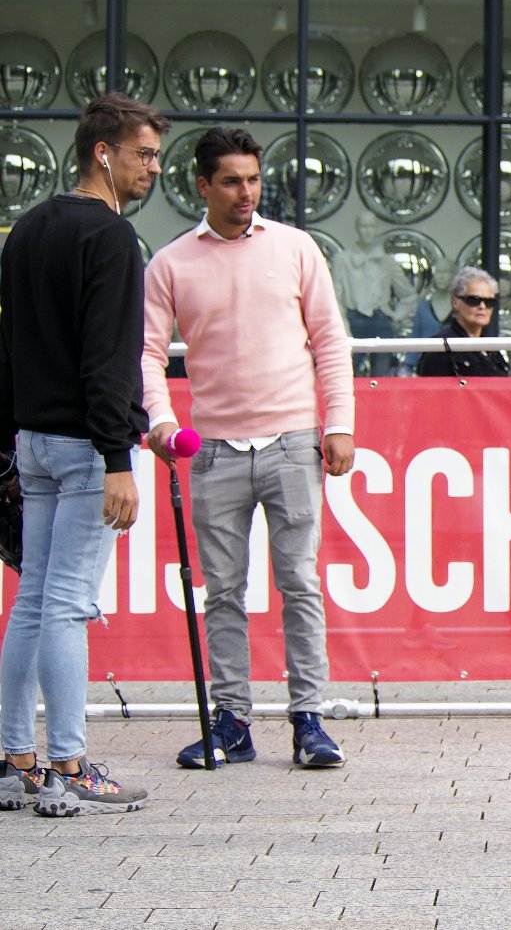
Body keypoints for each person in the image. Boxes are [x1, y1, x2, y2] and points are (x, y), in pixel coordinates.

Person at [142, 127, 356, 769]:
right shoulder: (171, 262)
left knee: (300, 583)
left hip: (292, 442)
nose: (245, 192)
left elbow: (330, 340)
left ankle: (309, 721)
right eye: (231, 181)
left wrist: (338, 422)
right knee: (224, 592)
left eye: (253, 180)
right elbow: (148, 354)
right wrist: (159, 417)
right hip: (211, 451)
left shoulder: (295, 248)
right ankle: (231, 722)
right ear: (202, 185)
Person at [0, 93, 168, 815]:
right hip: (81, 446)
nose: (153, 168)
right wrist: (118, 457)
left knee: (33, 604)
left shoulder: (27, 229)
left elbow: (8, 350)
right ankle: (68, 763)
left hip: (31, 440)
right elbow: (110, 358)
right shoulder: (109, 239)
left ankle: (17, 757)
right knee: (67, 606)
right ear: (104, 152)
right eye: (145, 153)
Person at [330, 212, 415, 378]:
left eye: (371, 226)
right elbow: (335, 297)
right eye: (363, 226)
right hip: (353, 320)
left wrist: (396, 316)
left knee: (382, 378)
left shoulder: (387, 261)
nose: (367, 231)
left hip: (380, 320)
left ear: (377, 229)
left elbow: (408, 295)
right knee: (347, 374)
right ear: (357, 229)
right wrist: (343, 327)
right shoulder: (343, 259)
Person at [415, 266, 511, 377]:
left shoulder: (492, 350)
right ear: (456, 303)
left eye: (490, 302)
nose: (482, 306)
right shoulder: (440, 348)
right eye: (474, 300)